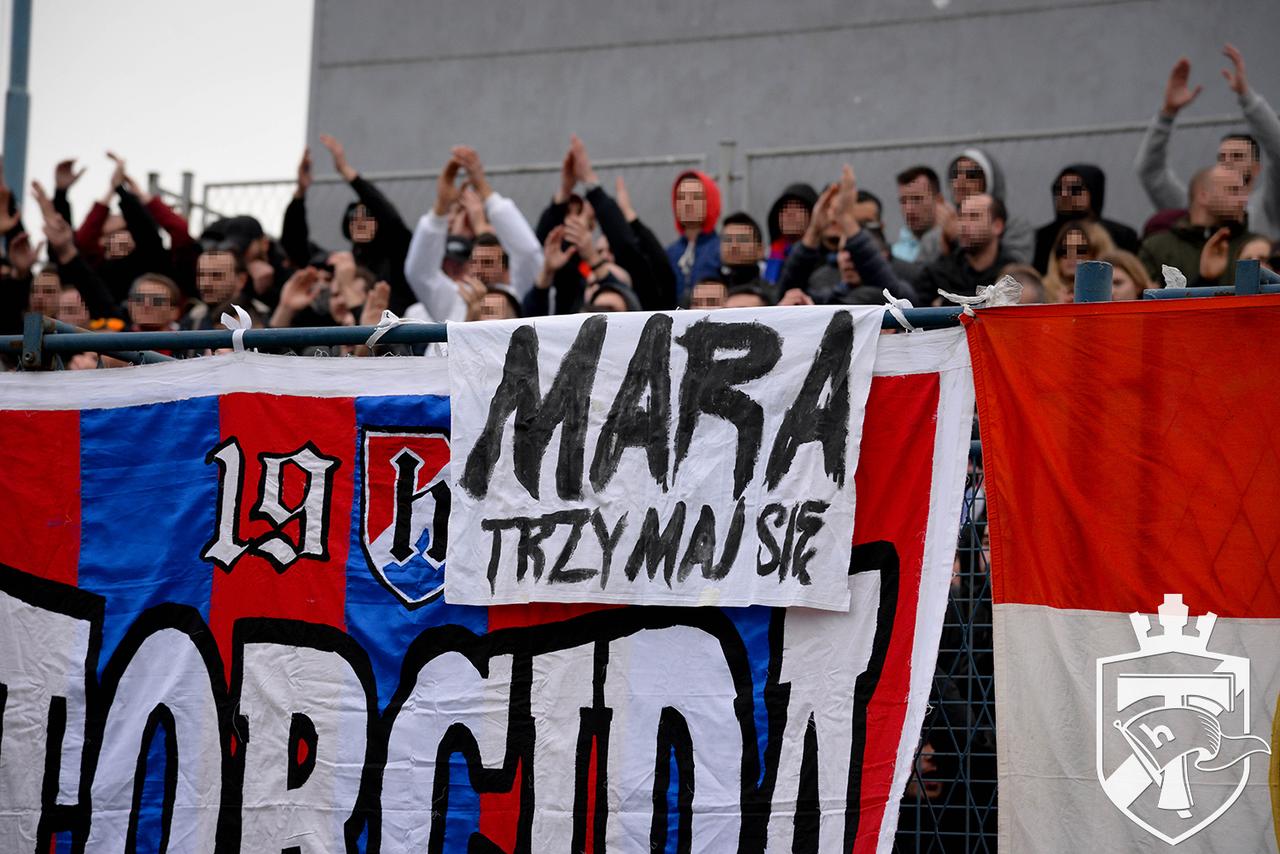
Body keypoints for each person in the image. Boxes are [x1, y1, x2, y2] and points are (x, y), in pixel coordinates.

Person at [1136, 46, 1280, 238]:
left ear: (1256, 168)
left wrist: (1247, 96)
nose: (1227, 162)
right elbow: (1151, 172)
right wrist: (1167, 115)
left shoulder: (1267, 207)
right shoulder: (1196, 207)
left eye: (1237, 156)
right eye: (1222, 157)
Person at [404, 146, 542, 321]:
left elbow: (528, 253)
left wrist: (484, 189)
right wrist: (440, 208)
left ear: (505, 267)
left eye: (487, 262)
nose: (479, 269)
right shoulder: (456, 298)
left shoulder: (519, 295)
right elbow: (420, 273)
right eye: (474, 262)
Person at [778, 166, 915, 305]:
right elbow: (790, 295)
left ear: (881, 256)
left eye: (856, 252)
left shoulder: (899, 288)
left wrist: (845, 218)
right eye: (842, 250)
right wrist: (814, 230)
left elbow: (892, 293)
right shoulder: (826, 293)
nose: (847, 258)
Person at [1138, 164, 1263, 285]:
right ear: (1203, 196)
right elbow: (1143, 295)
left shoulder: (1254, 246)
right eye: (1233, 190)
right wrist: (1204, 280)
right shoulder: (1156, 248)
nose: (1243, 199)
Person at [915, 194, 1017, 305]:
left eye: (974, 217)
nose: (964, 224)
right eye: (961, 217)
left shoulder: (1012, 276)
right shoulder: (937, 275)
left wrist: (946, 302)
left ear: (997, 226)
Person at [1033, 165, 1138, 272]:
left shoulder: (1122, 235)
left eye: (1075, 189)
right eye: (1059, 189)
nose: (1064, 195)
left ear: (1094, 191)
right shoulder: (1043, 237)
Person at [941, 149, 1033, 263]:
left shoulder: (1015, 227)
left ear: (988, 180)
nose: (960, 180)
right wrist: (945, 242)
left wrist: (963, 239)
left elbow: (1015, 268)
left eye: (971, 175)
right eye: (955, 174)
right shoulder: (940, 232)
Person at [665, 170, 722, 302]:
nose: (688, 203)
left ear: (710, 201)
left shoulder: (722, 250)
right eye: (681, 197)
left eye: (696, 197)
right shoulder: (670, 253)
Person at [1043, 220, 1114, 303]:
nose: (1072, 255)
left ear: (1098, 252)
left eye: (1080, 249)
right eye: (1064, 250)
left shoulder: (1116, 291)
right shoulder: (1040, 292)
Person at [764, 183, 817, 283]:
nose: (790, 214)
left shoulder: (819, 258)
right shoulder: (767, 257)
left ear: (813, 216)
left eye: (798, 208)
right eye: (784, 209)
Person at [892, 166, 944, 265]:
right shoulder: (894, 255)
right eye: (903, 201)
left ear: (939, 201)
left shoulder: (956, 248)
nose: (909, 209)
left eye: (916, 199)